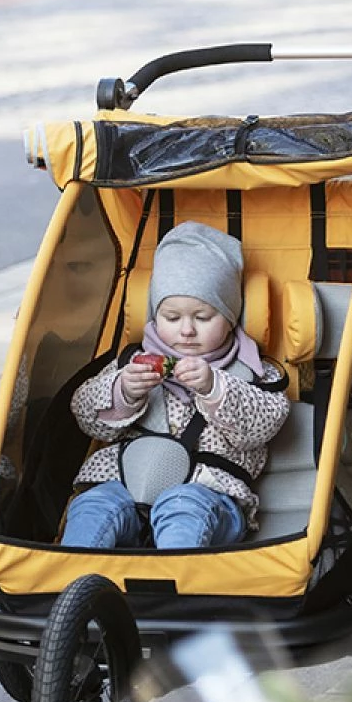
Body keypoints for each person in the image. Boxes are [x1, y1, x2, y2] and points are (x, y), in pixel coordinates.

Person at [62, 221, 290, 550]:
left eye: (202, 317)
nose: (186, 331)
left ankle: (172, 574)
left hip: (208, 495)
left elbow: (263, 425)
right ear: (155, 317)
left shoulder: (252, 371)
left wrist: (214, 387)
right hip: (125, 482)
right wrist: (124, 391)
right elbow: (85, 415)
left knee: (184, 508)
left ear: (230, 318)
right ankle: (76, 572)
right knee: (93, 506)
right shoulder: (133, 361)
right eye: (172, 318)